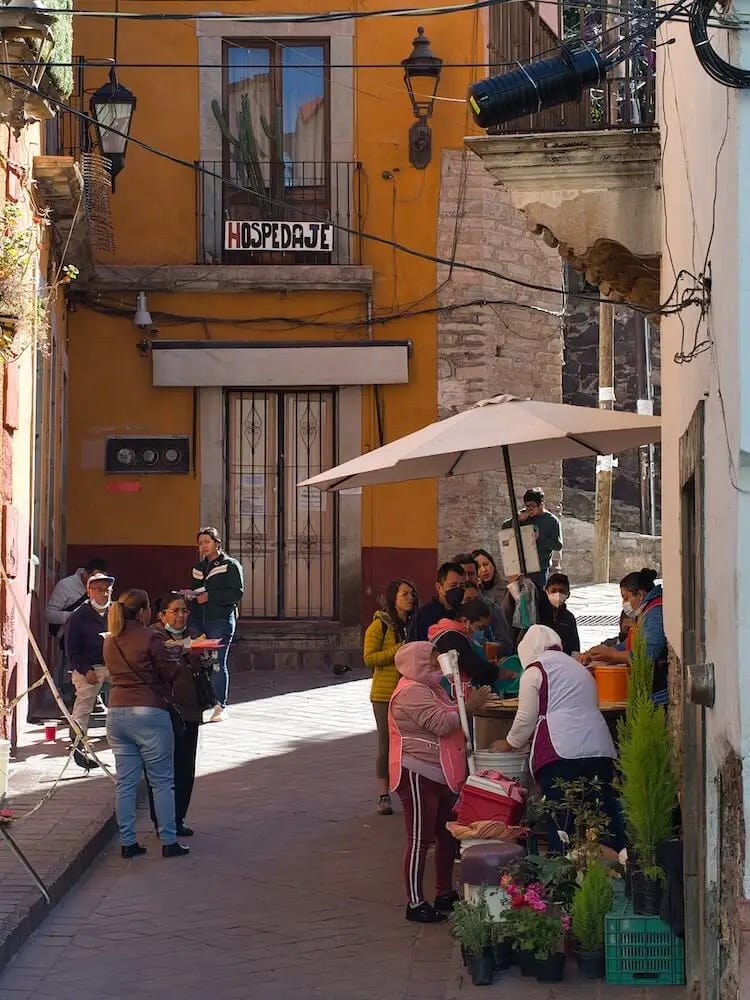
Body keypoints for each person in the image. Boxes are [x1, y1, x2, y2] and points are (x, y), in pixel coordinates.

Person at [490, 625, 623, 854]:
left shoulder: (535, 671)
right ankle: (620, 866)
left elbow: (525, 717)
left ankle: (562, 877)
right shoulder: (578, 668)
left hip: (561, 752)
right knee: (604, 814)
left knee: (562, 821)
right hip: (599, 749)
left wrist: (510, 743)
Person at [388, 641, 493, 923]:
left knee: (447, 834)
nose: (437, 662)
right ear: (419, 663)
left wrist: (460, 691)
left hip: (438, 772)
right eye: (433, 659)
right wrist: (469, 707)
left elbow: (450, 707)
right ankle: (415, 902)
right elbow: (442, 723)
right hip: (417, 772)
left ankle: (443, 892)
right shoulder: (411, 691)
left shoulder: (430, 687)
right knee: (420, 839)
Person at [103, 589, 189, 859]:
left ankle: (128, 842)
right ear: (142, 611)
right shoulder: (150, 637)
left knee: (125, 783)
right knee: (162, 780)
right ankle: (168, 840)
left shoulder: (110, 640)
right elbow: (168, 673)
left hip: (116, 712)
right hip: (149, 711)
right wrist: (178, 656)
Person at [149, 592, 216, 837]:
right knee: (161, 768)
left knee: (185, 768)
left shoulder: (191, 636)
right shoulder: (155, 636)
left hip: (189, 711)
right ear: (162, 614)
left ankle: (178, 818)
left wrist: (205, 658)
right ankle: (161, 821)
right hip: (164, 712)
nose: (180, 616)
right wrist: (184, 648)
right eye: (175, 611)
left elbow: (200, 670)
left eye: (184, 611)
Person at [363, 579, 417, 816]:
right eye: (404, 594)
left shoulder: (414, 624)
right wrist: (398, 650)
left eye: (412, 594)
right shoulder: (379, 625)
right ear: (393, 598)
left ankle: (407, 791)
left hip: (409, 692)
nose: (410, 598)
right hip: (385, 694)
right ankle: (383, 795)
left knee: (409, 743)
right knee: (386, 744)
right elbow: (369, 658)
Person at [580, 568, 666, 704]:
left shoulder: (655, 613)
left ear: (640, 594)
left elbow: (648, 654)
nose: (623, 604)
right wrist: (599, 652)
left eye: (626, 598)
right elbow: (627, 645)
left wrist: (612, 656)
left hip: (657, 694)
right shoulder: (644, 612)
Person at [187, 527, 244, 716]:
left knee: (218, 661)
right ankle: (207, 701)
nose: (203, 546)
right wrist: (191, 596)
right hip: (199, 620)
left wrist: (211, 596)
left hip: (220, 620)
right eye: (200, 543)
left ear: (217, 543)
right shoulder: (198, 567)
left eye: (207, 542)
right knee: (204, 662)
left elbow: (236, 593)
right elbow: (197, 590)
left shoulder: (230, 565)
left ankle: (220, 705)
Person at [65, 572, 116, 770]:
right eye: (100, 590)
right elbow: (72, 650)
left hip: (113, 665)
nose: (104, 594)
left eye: (107, 590)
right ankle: (78, 743)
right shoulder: (78, 617)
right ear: (89, 592)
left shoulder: (115, 611)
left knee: (128, 692)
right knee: (85, 700)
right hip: (88, 665)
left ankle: (121, 735)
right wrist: (86, 670)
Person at [502, 488, 562, 586]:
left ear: (541, 504)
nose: (529, 509)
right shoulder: (523, 515)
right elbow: (504, 527)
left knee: (538, 597)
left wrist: (540, 538)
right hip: (520, 567)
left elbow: (558, 546)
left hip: (540, 569)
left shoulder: (552, 521)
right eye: (527, 506)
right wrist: (517, 519)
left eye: (532, 506)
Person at [46, 557, 108, 637]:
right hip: (70, 634)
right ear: (85, 574)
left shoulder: (103, 588)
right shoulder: (65, 585)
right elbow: (49, 615)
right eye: (94, 577)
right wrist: (75, 616)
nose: (97, 581)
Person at [406, 562, 466, 642]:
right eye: (453, 585)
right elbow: (413, 648)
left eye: (462, 586)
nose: (458, 590)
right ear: (439, 587)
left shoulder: (465, 613)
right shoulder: (423, 615)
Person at [538, 573, 580, 656]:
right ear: (546, 591)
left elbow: (574, 648)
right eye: (553, 591)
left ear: (568, 594)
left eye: (562, 591)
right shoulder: (539, 613)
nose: (557, 595)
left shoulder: (569, 618)